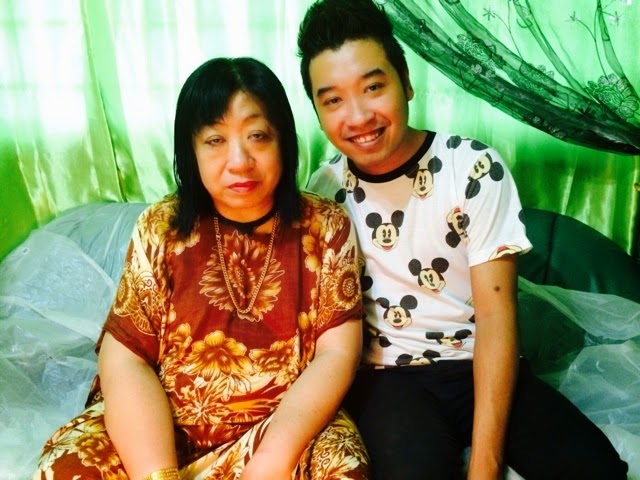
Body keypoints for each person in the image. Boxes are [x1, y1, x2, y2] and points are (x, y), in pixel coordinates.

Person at [297, 1, 629, 479]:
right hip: (389, 378)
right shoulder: (325, 189)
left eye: (373, 87)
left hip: (482, 361)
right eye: (333, 101)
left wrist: (486, 464)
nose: (358, 116)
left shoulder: (472, 167)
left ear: (405, 82)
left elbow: (496, 316)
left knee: (596, 469)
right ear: (318, 111)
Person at [33, 57, 370, 480]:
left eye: (258, 136)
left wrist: (272, 460)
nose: (239, 161)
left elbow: (338, 353)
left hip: (283, 430)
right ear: (190, 151)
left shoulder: (325, 225)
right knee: (66, 468)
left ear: (284, 142)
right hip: (161, 430)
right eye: (215, 140)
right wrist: (159, 474)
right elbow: (126, 358)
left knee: (342, 467)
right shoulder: (161, 228)